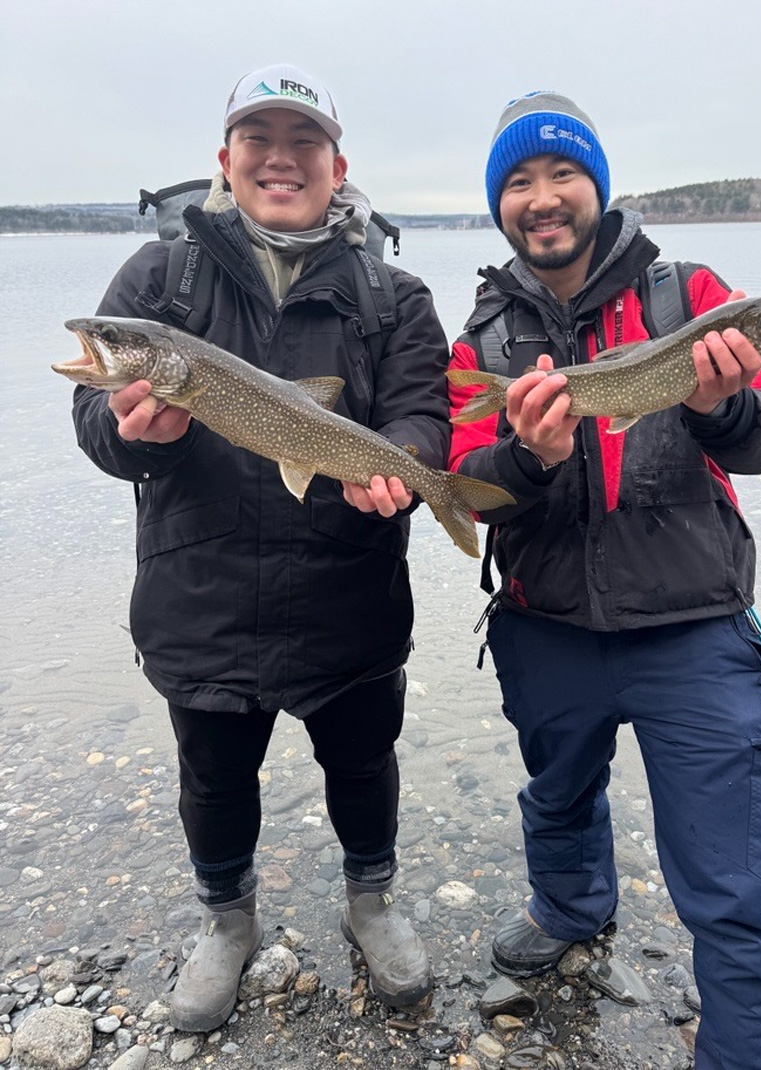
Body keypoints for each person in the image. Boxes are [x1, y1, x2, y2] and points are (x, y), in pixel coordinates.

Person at [71, 63, 446, 1031]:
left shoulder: (392, 293)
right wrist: (124, 430)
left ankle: (372, 900)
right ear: (225, 160)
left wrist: (405, 464)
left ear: (337, 163)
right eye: (259, 140)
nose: (281, 159)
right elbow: (90, 416)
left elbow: (418, 411)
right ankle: (226, 921)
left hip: (349, 597)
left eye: (303, 142)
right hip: (202, 596)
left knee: (365, 764)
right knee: (213, 777)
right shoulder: (161, 281)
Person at [447, 92, 761, 1070]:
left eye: (561, 173)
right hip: (547, 622)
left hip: (694, 625)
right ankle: (571, 907)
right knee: (557, 796)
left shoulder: (692, 294)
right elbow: (465, 488)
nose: (543, 196)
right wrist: (526, 457)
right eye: (518, 181)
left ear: (597, 187)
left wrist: (718, 406)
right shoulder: (482, 340)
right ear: (501, 205)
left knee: (736, 884)